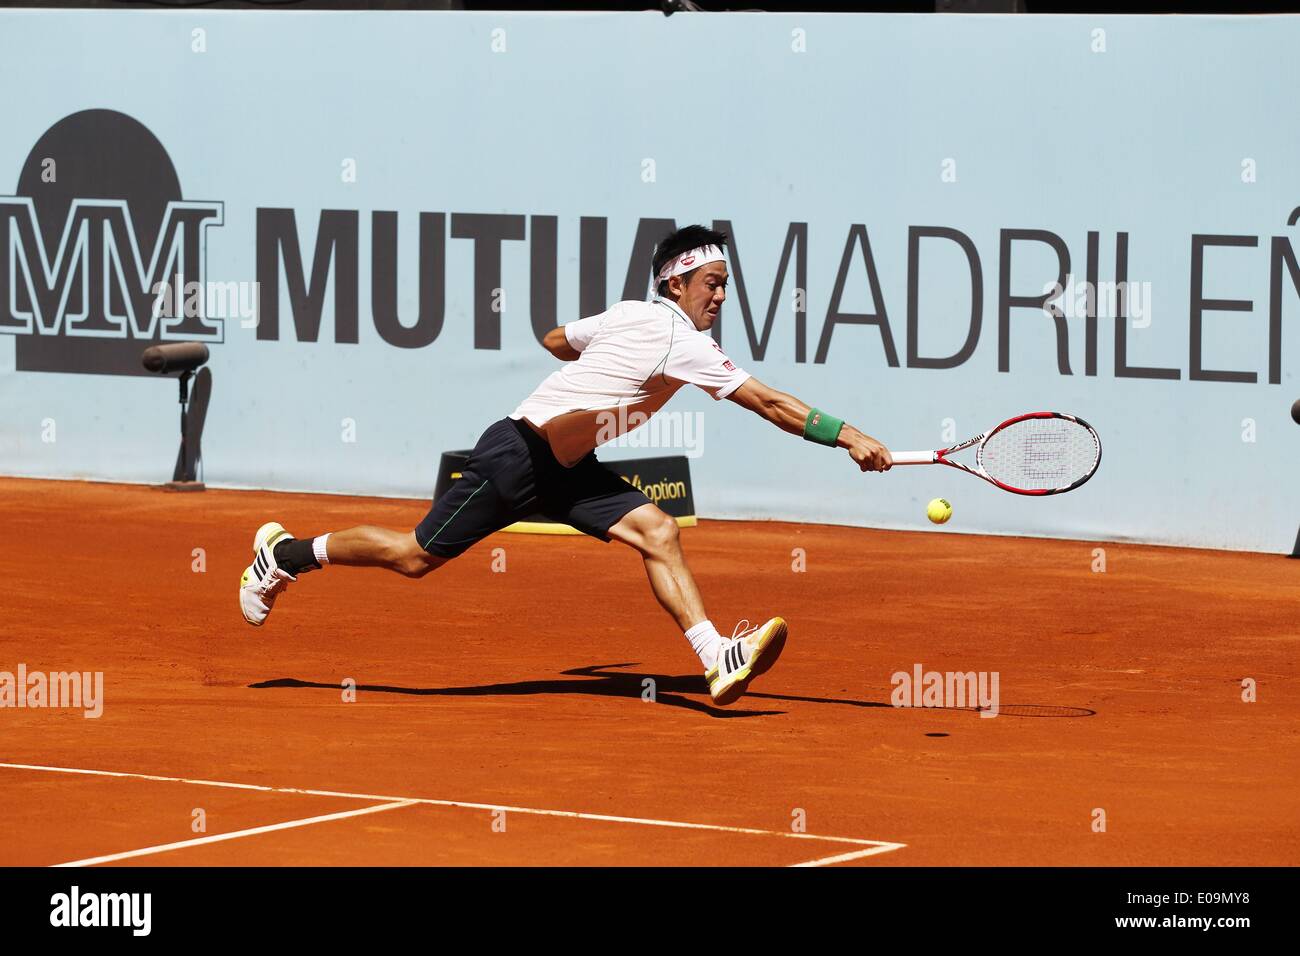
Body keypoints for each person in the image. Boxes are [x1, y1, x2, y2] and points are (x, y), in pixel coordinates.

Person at [239, 225, 892, 706]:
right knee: (415, 557)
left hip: (572, 466)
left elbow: (555, 339)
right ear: (676, 283)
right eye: (712, 285)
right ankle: (286, 555)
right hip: (517, 457)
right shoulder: (679, 340)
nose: (720, 297)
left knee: (658, 531)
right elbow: (768, 401)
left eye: (724, 286)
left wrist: (598, 370)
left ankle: (716, 658)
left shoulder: (629, 315)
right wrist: (851, 436)